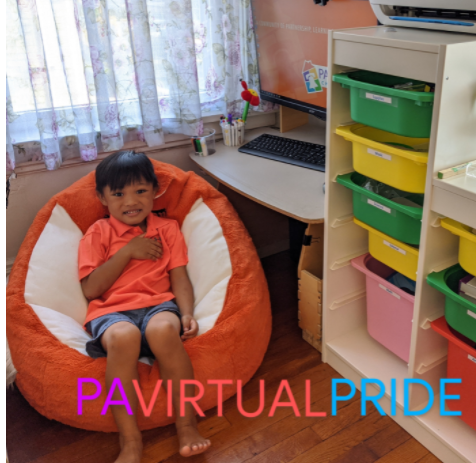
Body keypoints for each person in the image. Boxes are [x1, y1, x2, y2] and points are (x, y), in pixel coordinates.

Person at [78, 150, 211, 463]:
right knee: (124, 337)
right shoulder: (98, 233)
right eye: (119, 194)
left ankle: (187, 425)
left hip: (157, 306)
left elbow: (179, 278)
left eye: (140, 191)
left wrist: (187, 312)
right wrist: (128, 252)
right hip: (111, 313)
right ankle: (131, 441)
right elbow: (91, 288)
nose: (130, 202)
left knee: (165, 330)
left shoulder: (167, 230)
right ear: (103, 198)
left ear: (154, 192)